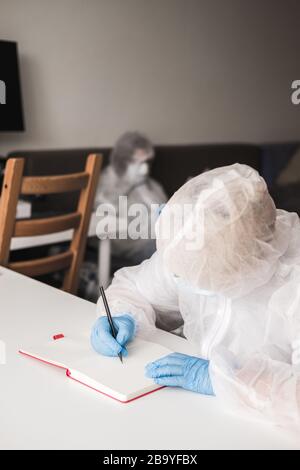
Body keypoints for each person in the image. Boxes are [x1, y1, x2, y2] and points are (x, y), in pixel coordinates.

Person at [91, 163, 300, 431]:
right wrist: (121, 315)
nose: (182, 281)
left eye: (205, 276)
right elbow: (136, 288)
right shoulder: (191, 240)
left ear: (246, 264)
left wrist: (225, 380)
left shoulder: (290, 278)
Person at [94, 131, 168, 265]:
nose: (144, 169)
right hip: (132, 246)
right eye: (136, 162)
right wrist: (127, 185)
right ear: (122, 162)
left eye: (146, 162)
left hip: (161, 239)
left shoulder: (151, 185)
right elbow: (103, 221)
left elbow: (167, 210)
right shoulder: (105, 184)